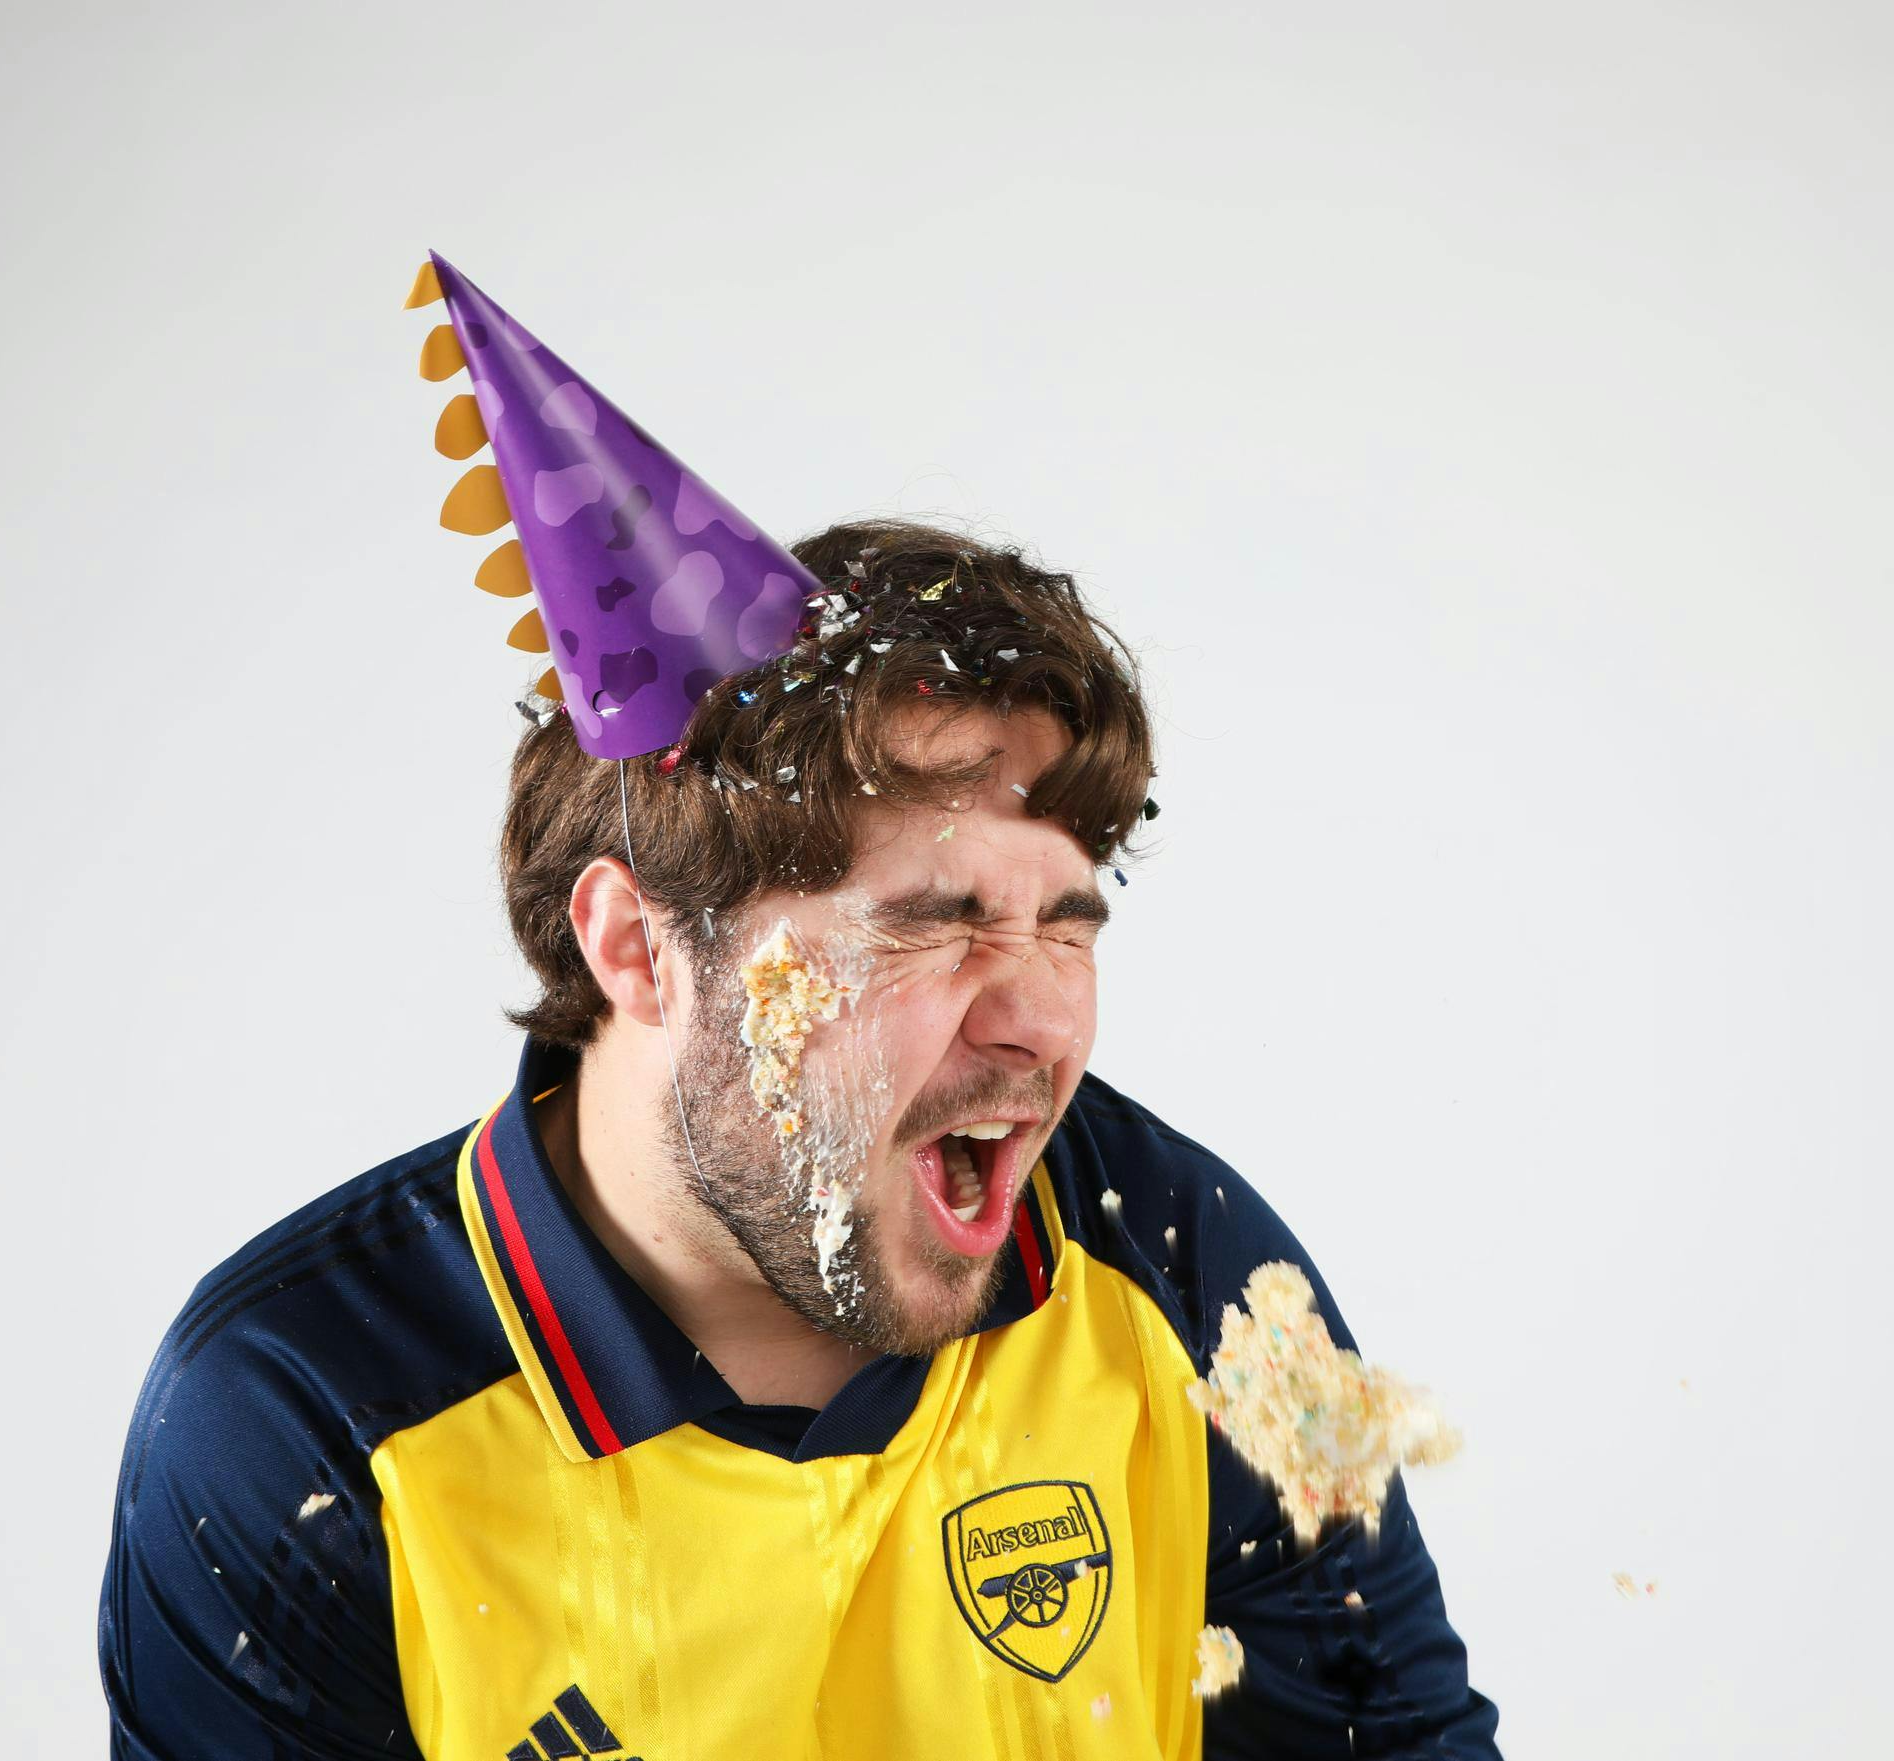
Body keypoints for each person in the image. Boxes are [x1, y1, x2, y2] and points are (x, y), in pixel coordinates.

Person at [100, 260, 1500, 1759]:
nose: (1040, 1022)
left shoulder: (1191, 1276)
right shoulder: (301, 1418)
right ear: (640, 947)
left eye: (1065, 926)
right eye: (936, 924)